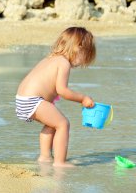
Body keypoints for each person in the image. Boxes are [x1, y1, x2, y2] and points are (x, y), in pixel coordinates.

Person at [15, 27, 96, 167]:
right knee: (63, 124)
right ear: (78, 48)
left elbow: (45, 83)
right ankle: (60, 162)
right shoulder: (63, 63)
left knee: (52, 125)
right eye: (85, 56)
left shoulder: (51, 59)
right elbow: (62, 90)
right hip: (33, 100)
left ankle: (45, 157)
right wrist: (82, 99)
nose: (82, 63)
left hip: (22, 100)